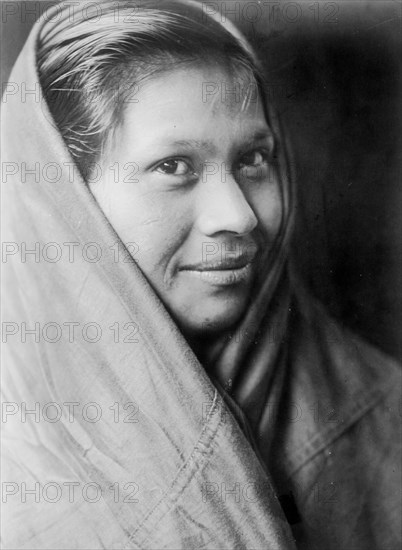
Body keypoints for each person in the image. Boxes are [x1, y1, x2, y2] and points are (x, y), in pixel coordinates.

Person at [1, 1, 400, 549]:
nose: (239, 215)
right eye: (174, 167)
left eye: (254, 159)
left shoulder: (385, 416)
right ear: (64, 202)